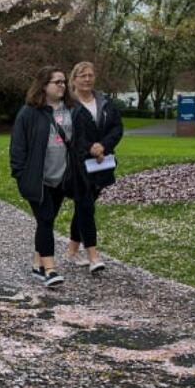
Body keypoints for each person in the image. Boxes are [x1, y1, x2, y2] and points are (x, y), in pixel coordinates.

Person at [10, 66, 83, 287]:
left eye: (63, 82)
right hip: (37, 178)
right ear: (44, 86)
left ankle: (37, 263)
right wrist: (21, 174)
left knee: (48, 220)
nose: (62, 85)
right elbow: (17, 147)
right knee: (45, 220)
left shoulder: (72, 110)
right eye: (57, 82)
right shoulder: (29, 113)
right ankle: (50, 270)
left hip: (62, 177)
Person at [65, 61, 124, 273]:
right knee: (86, 205)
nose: (87, 79)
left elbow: (117, 128)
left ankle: (72, 250)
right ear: (74, 80)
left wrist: (103, 146)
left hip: (101, 163)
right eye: (82, 75)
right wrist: (90, 148)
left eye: (90, 75)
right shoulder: (68, 106)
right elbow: (67, 135)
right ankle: (93, 255)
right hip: (76, 164)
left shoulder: (105, 103)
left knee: (84, 206)